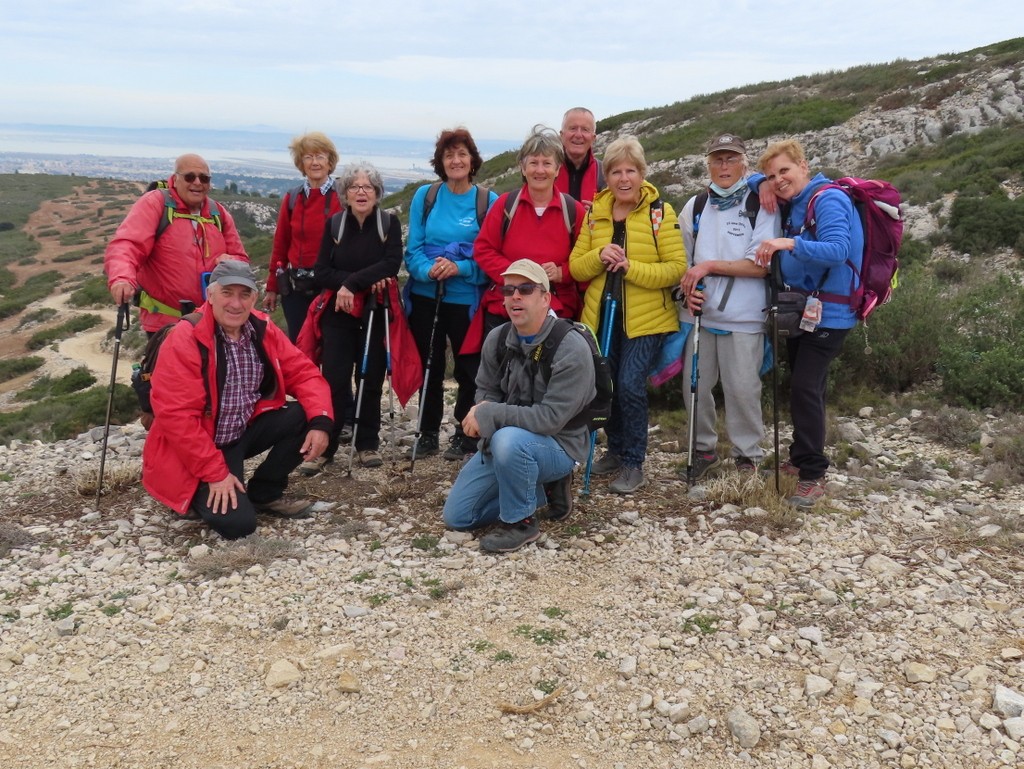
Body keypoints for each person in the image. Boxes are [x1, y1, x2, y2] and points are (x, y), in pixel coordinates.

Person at [141, 260, 333, 540]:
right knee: (239, 525)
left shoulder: (262, 329)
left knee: (309, 415)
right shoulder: (185, 338)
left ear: (254, 298)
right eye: (227, 293)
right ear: (210, 294)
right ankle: (194, 492)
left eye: (244, 294)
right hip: (201, 444)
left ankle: (264, 493)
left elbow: (304, 374)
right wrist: (215, 473)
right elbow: (177, 417)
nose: (236, 303)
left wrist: (321, 422)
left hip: (240, 432)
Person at [442, 260, 596, 553]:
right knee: (458, 517)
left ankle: (520, 523)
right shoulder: (497, 338)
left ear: (545, 298)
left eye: (525, 289)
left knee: (507, 438)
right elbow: (485, 391)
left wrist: (488, 415)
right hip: (508, 443)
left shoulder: (570, 347)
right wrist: (484, 412)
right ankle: (544, 491)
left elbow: (550, 419)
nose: (515, 296)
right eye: (508, 289)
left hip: (560, 445)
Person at [569, 136, 686, 494]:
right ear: (606, 176)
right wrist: (599, 256)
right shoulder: (595, 213)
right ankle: (616, 450)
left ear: (642, 173)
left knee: (632, 385)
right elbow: (576, 268)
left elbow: (676, 268)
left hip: (647, 319)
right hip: (602, 316)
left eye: (630, 170)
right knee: (609, 386)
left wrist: (630, 267)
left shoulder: (659, 212)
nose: (623, 178)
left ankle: (634, 462)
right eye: (616, 171)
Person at [462, 125, 585, 459]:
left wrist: (562, 272)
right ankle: (489, 440)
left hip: (554, 312)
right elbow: (483, 248)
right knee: (496, 377)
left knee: (547, 383)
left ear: (559, 168)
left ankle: (552, 449)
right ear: (522, 166)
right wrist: (520, 277)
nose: (540, 170)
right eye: (533, 162)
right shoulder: (507, 206)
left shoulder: (574, 211)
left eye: (547, 163)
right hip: (506, 308)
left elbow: (584, 259)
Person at [752, 139, 864, 507]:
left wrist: (788, 244)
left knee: (803, 387)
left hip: (830, 314)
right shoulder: (797, 198)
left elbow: (838, 250)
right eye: (773, 174)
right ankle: (801, 459)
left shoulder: (827, 199)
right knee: (807, 388)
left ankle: (813, 474)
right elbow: (750, 179)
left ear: (803, 165)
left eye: (785, 171)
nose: (779, 180)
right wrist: (761, 183)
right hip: (804, 311)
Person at [679, 134, 782, 479]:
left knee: (743, 389)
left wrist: (708, 266)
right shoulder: (694, 207)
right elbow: (682, 261)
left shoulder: (761, 204)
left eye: (731, 159)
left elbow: (760, 265)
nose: (724, 167)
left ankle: (747, 456)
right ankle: (703, 450)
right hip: (701, 317)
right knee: (695, 386)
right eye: (717, 160)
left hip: (745, 316)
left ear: (744, 164)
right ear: (708, 164)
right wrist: (685, 290)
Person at [404, 128, 497, 461]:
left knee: (468, 367)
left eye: (462, 154)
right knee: (429, 364)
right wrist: (429, 270)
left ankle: (465, 432)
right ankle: (428, 432)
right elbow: (412, 250)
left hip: (466, 300)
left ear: (472, 160)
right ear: (440, 162)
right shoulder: (425, 198)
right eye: (449, 155)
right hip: (427, 295)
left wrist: (460, 268)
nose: (456, 160)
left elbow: (492, 257)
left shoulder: (488, 201)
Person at [304, 162, 402, 473]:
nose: (361, 192)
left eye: (368, 187)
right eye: (354, 187)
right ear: (345, 194)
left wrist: (348, 283)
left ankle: (367, 443)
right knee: (333, 379)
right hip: (339, 313)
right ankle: (326, 446)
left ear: (377, 193)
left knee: (371, 377)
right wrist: (348, 285)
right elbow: (321, 270)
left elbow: (391, 263)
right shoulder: (335, 225)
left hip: (374, 310)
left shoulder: (388, 223)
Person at [105, 154, 248, 335]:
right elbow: (127, 245)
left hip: (212, 322)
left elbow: (241, 259)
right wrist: (122, 278)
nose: (197, 183)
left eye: (204, 178)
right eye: (190, 177)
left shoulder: (217, 213)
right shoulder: (156, 203)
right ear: (175, 178)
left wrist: (232, 261)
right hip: (166, 323)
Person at [264, 132, 343, 341]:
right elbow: (281, 243)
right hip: (297, 289)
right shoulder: (292, 198)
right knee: (300, 350)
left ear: (330, 161)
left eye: (320, 156)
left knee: (331, 351)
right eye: (308, 157)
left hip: (331, 288)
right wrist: (272, 286)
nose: (314, 162)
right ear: (301, 163)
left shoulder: (343, 197)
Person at [555, 107, 605, 208]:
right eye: (573, 128)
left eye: (585, 130)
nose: (578, 135)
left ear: (593, 138)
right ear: (562, 135)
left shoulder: (605, 173)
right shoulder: (546, 171)